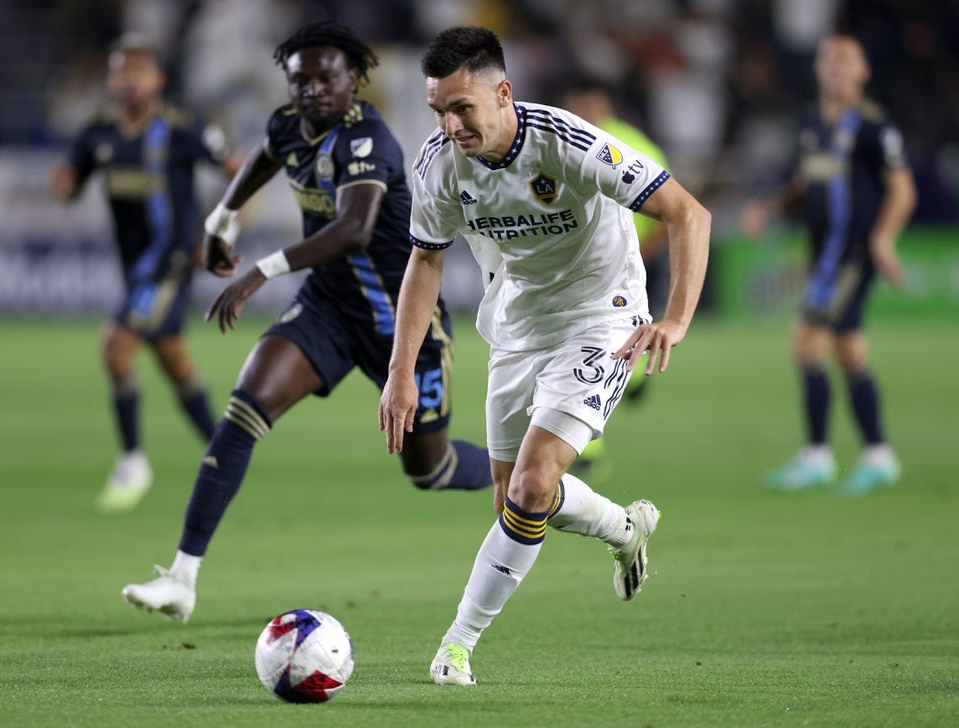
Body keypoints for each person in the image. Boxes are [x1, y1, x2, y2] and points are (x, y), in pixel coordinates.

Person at [120, 22, 493, 623]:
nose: (314, 89)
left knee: (432, 470)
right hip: (329, 306)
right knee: (243, 411)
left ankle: (521, 469)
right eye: (302, 79)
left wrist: (260, 271)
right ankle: (181, 578)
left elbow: (355, 227)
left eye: (327, 78)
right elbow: (268, 156)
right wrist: (222, 217)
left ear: (355, 80)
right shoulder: (288, 124)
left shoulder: (368, 138)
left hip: (404, 322)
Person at [379, 26, 710, 685]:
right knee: (516, 499)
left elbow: (687, 212)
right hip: (516, 326)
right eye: (438, 110)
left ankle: (456, 646)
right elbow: (424, 261)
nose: (449, 124)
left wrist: (674, 319)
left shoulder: (568, 142)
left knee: (531, 486)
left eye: (461, 108)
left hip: (602, 318)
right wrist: (400, 372)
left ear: (503, 93)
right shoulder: (439, 163)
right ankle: (622, 528)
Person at [50, 34, 240, 513]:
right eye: (121, 72)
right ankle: (225, 453)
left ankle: (133, 461)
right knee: (174, 361)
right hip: (134, 269)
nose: (130, 81)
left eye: (139, 72)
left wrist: (219, 232)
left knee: (116, 350)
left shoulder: (181, 128)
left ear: (158, 79)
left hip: (171, 264)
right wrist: (64, 187)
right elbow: (70, 183)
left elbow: (240, 172)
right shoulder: (97, 134)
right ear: (111, 79)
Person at [741, 34, 916, 495]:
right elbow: (805, 179)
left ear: (863, 71)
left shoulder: (876, 126)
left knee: (806, 345)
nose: (836, 68)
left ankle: (818, 456)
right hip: (824, 255)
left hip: (852, 254)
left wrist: (883, 238)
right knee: (849, 351)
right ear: (819, 69)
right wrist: (770, 207)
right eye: (829, 61)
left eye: (846, 61)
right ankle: (879, 454)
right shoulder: (812, 124)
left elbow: (902, 189)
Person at [561, 77, 673, 481]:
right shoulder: (563, 142)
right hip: (584, 269)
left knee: (607, 347)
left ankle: (620, 389)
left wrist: (641, 257)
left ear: (604, 102)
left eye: (589, 101)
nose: (583, 110)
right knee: (590, 349)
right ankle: (590, 448)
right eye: (576, 102)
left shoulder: (632, 144)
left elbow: (673, 209)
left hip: (634, 265)